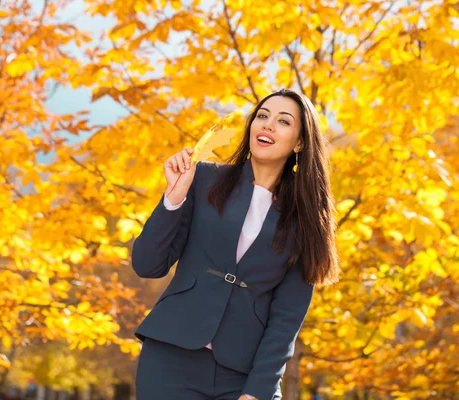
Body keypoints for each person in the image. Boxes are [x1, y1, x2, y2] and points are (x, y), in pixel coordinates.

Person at [132, 88, 339, 400]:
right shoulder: (203, 179)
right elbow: (147, 264)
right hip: (170, 361)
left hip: (243, 375)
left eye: (283, 121)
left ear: (299, 142)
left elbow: (287, 317)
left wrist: (260, 390)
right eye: (262, 116)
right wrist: (173, 198)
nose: (267, 125)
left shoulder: (306, 220)